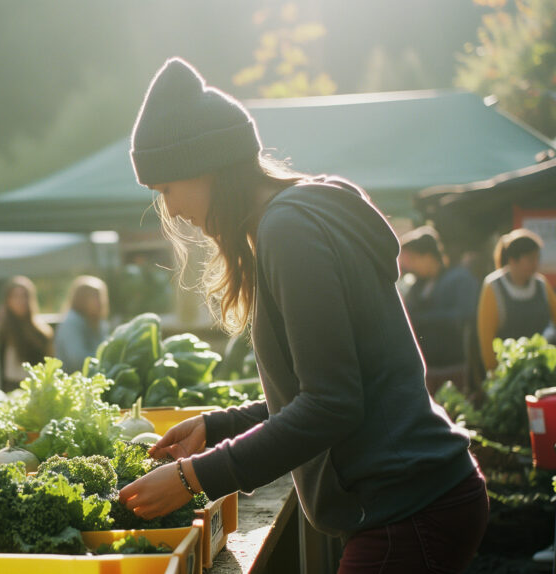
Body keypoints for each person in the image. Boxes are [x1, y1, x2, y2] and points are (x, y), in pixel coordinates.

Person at [117, 58, 487, 573]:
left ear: (205, 165)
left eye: (166, 190)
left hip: (409, 508)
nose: (172, 210)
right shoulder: (302, 213)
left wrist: (193, 478)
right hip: (422, 496)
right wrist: (218, 425)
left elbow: (332, 405)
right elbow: (326, 388)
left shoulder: (288, 231)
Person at [398, 226, 479, 395]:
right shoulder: (416, 286)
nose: (409, 265)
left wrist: (422, 319)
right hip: (426, 369)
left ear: (428, 256)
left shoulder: (459, 278)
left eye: (412, 258)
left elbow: (463, 315)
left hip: (454, 366)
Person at [477, 228, 556, 371]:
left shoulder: (541, 284)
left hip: (542, 368)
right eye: (531, 259)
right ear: (513, 260)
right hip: (509, 371)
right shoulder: (493, 287)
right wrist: (494, 372)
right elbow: (486, 340)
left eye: (538, 258)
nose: (536, 264)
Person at [0, 276, 53, 391]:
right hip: (9, 388)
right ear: (8, 300)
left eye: (24, 296)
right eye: (16, 296)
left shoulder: (41, 331)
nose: (21, 301)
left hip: (35, 388)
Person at [54, 275, 110, 371]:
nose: (99, 301)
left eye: (100, 296)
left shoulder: (99, 323)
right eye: (93, 297)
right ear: (80, 299)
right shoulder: (71, 323)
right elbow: (78, 361)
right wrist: (108, 360)